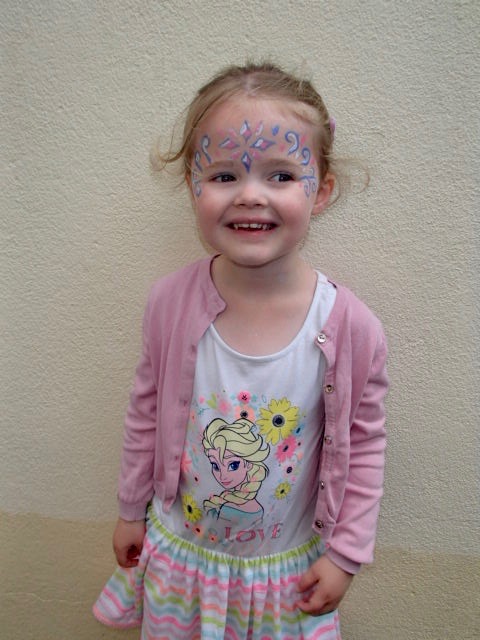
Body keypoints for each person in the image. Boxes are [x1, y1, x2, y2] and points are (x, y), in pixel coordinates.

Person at [93, 62, 388, 639]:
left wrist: (346, 554)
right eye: (225, 174)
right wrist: (131, 510)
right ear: (193, 186)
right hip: (182, 566)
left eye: (281, 175)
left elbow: (366, 445)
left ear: (322, 190)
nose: (251, 195)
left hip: (284, 581)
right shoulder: (169, 304)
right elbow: (145, 413)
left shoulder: (350, 328)